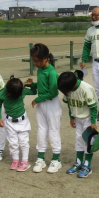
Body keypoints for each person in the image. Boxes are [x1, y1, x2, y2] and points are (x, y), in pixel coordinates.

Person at [25, 43, 62, 173]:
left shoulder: (52, 72)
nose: (35, 63)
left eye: (36, 60)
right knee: (41, 129)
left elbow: (53, 92)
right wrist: (31, 85)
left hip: (52, 104)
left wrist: (37, 99)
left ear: (45, 58)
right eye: (33, 60)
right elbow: (42, 87)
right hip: (42, 105)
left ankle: (56, 159)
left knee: (53, 130)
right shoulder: (40, 70)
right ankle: (40, 158)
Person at [57, 70, 98, 178]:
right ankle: (79, 163)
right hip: (78, 118)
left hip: (88, 118)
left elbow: (93, 108)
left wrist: (93, 122)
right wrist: (71, 117)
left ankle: (87, 166)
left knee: (88, 142)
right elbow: (70, 105)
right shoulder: (69, 89)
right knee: (79, 139)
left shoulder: (85, 89)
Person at [0, 76, 36, 172]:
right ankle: (15, 160)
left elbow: (34, 92)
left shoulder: (22, 90)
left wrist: (31, 85)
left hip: (22, 121)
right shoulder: (2, 93)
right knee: (12, 143)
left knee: (23, 142)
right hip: (10, 122)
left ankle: (25, 161)